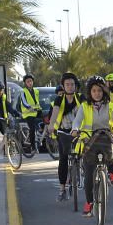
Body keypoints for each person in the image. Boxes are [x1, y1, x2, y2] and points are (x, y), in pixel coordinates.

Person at [71, 76, 113, 216]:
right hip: (89, 141)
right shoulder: (84, 106)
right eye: (94, 91)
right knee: (88, 174)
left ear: (103, 91)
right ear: (90, 92)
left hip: (105, 137)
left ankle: (112, 173)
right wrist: (75, 129)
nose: (97, 93)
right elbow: (77, 121)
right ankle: (89, 203)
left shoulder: (110, 105)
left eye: (99, 90)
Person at [49, 72, 83, 202]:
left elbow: (87, 110)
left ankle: (84, 175)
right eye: (67, 84)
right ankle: (62, 189)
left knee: (85, 155)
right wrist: (51, 125)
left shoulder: (80, 98)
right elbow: (54, 113)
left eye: (72, 84)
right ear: (63, 86)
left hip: (79, 132)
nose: (70, 86)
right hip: (63, 132)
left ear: (76, 86)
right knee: (63, 159)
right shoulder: (59, 99)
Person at [18, 73, 43, 154]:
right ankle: (33, 147)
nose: (30, 83)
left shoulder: (36, 91)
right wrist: (29, 107)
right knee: (32, 129)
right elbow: (24, 102)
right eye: (28, 81)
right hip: (28, 113)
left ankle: (40, 134)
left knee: (47, 119)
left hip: (36, 111)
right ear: (25, 83)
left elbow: (37, 102)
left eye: (31, 81)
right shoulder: (23, 91)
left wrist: (38, 108)